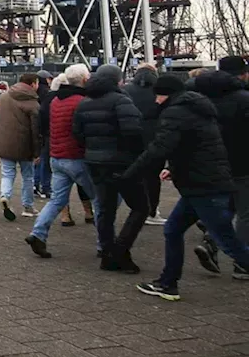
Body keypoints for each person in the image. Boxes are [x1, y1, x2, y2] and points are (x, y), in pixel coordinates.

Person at [131, 74, 249, 300]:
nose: (155, 100)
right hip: (203, 183)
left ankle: (168, 283)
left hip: (203, 186)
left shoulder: (176, 112)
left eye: (158, 95)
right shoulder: (200, 109)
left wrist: (130, 173)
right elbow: (195, 147)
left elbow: (159, 148)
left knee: (227, 241)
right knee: (173, 230)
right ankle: (168, 283)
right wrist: (174, 169)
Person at [73, 64, 146, 273]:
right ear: (118, 80)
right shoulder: (121, 100)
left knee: (105, 209)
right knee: (140, 206)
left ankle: (107, 252)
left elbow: (77, 133)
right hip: (121, 162)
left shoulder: (84, 103)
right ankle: (120, 250)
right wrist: (136, 156)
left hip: (94, 162)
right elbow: (133, 132)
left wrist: (92, 150)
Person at [187, 56, 249, 277]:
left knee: (227, 208)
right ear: (242, 73)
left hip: (213, 163)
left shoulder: (201, 98)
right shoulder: (243, 99)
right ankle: (242, 261)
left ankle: (210, 242)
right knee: (245, 213)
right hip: (242, 162)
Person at [25, 65, 94, 258]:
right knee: (100, 199)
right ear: (83, 79)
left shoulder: (55, 101)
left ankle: (38, 233)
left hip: (57, 156)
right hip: (76, 157)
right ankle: (104, 245)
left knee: (56, 199)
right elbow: (82, 131)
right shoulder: (82, 101)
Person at [0, 73, 42, 221]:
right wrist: (37, 152)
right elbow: (36, 130)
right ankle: (28, 206)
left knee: (7, 174)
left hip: (4, 142)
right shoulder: (32, 103)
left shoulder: (4, 97)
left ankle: (5, 196)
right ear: (32, 84)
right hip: (25, 145)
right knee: (28, 176)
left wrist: (1, 130)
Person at [123, 63, 164, 225]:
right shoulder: (160, 90)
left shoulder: (127, 90)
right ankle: (152, 211)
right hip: (155, 136)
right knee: (153, 176)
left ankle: (139, 207)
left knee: (136, 174)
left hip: (132, 137)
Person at [34, 70, 54, 198]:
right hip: (47, 132)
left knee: (38, 160)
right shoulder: (48, 95)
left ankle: (35, 185)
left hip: (36, 130)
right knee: (45, 162)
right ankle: (45, 187)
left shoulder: (33, 94)